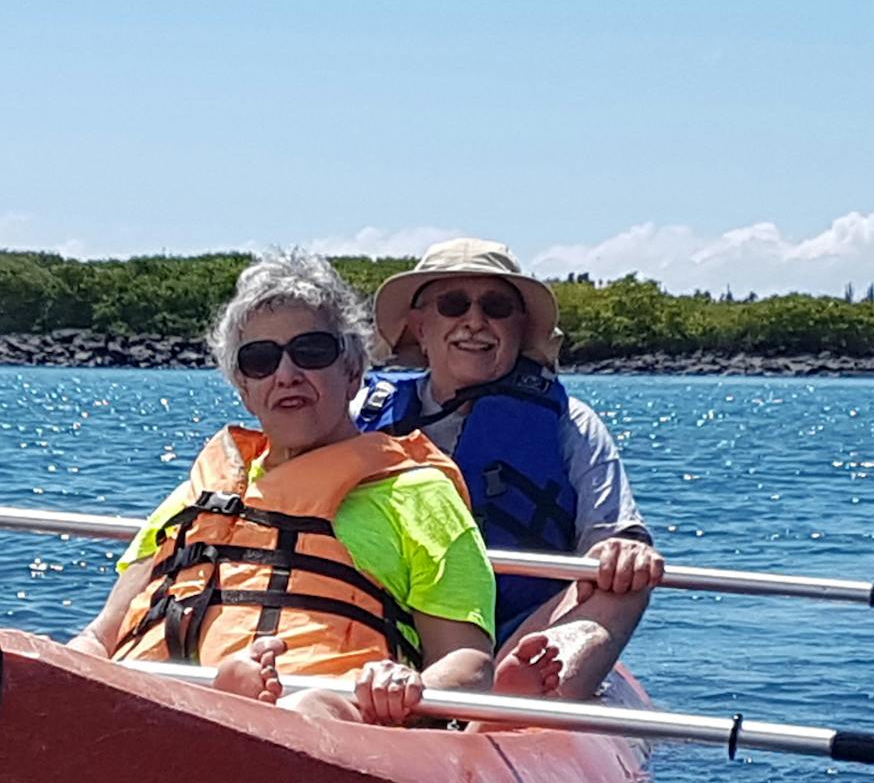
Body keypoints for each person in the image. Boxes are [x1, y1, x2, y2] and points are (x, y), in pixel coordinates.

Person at [69, 249, 497, 726]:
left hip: (320, 717)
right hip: (149, 704)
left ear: (353, 371)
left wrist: (402, 688)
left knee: (309, 708)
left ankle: (241, 709)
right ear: (244, 389)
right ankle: (220, 701)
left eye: (311, 352)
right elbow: (100, 635)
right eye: (260, 360)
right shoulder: (203, 491)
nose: (286, 374)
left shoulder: (418, 494)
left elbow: (469, 663)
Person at [357, 238, 664, 699]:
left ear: (520, 330)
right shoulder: (362, 412)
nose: (475, 322)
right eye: (453, 304)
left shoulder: (570, 423)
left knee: (624, 585)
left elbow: (612, 535)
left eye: (497, 307)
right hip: (387, 623)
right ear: (419, 328)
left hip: (523, 629)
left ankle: (523, 696)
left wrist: (624, 550)